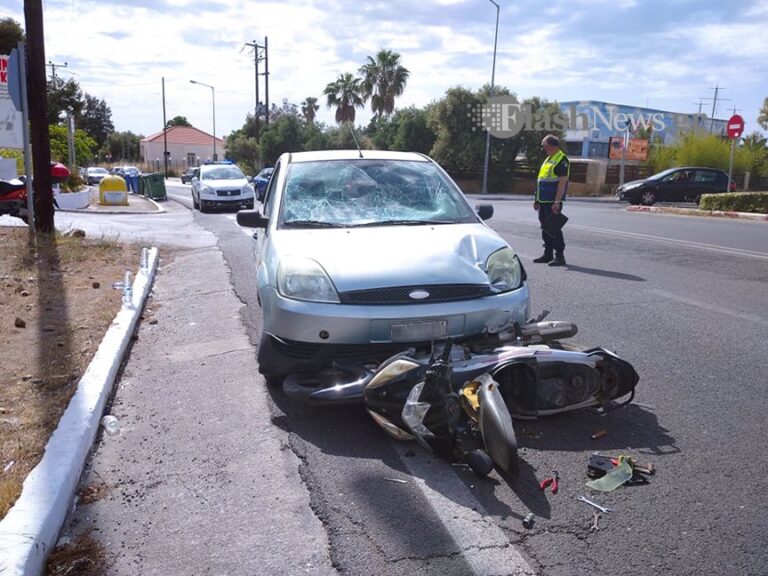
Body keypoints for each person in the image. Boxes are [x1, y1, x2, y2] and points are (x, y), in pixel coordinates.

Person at [533, 134, 570, 266]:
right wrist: (536, 199)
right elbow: (541, 181)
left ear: (552, 146)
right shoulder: (549, 159)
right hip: (543, 200)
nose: (544, 148)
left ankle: (559, 256)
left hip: (552, 200)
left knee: (553, 229)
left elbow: (562, 183)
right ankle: (547, 254)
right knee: (545, 228)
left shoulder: (561, 160)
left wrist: (557, 202)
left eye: (545, 146)